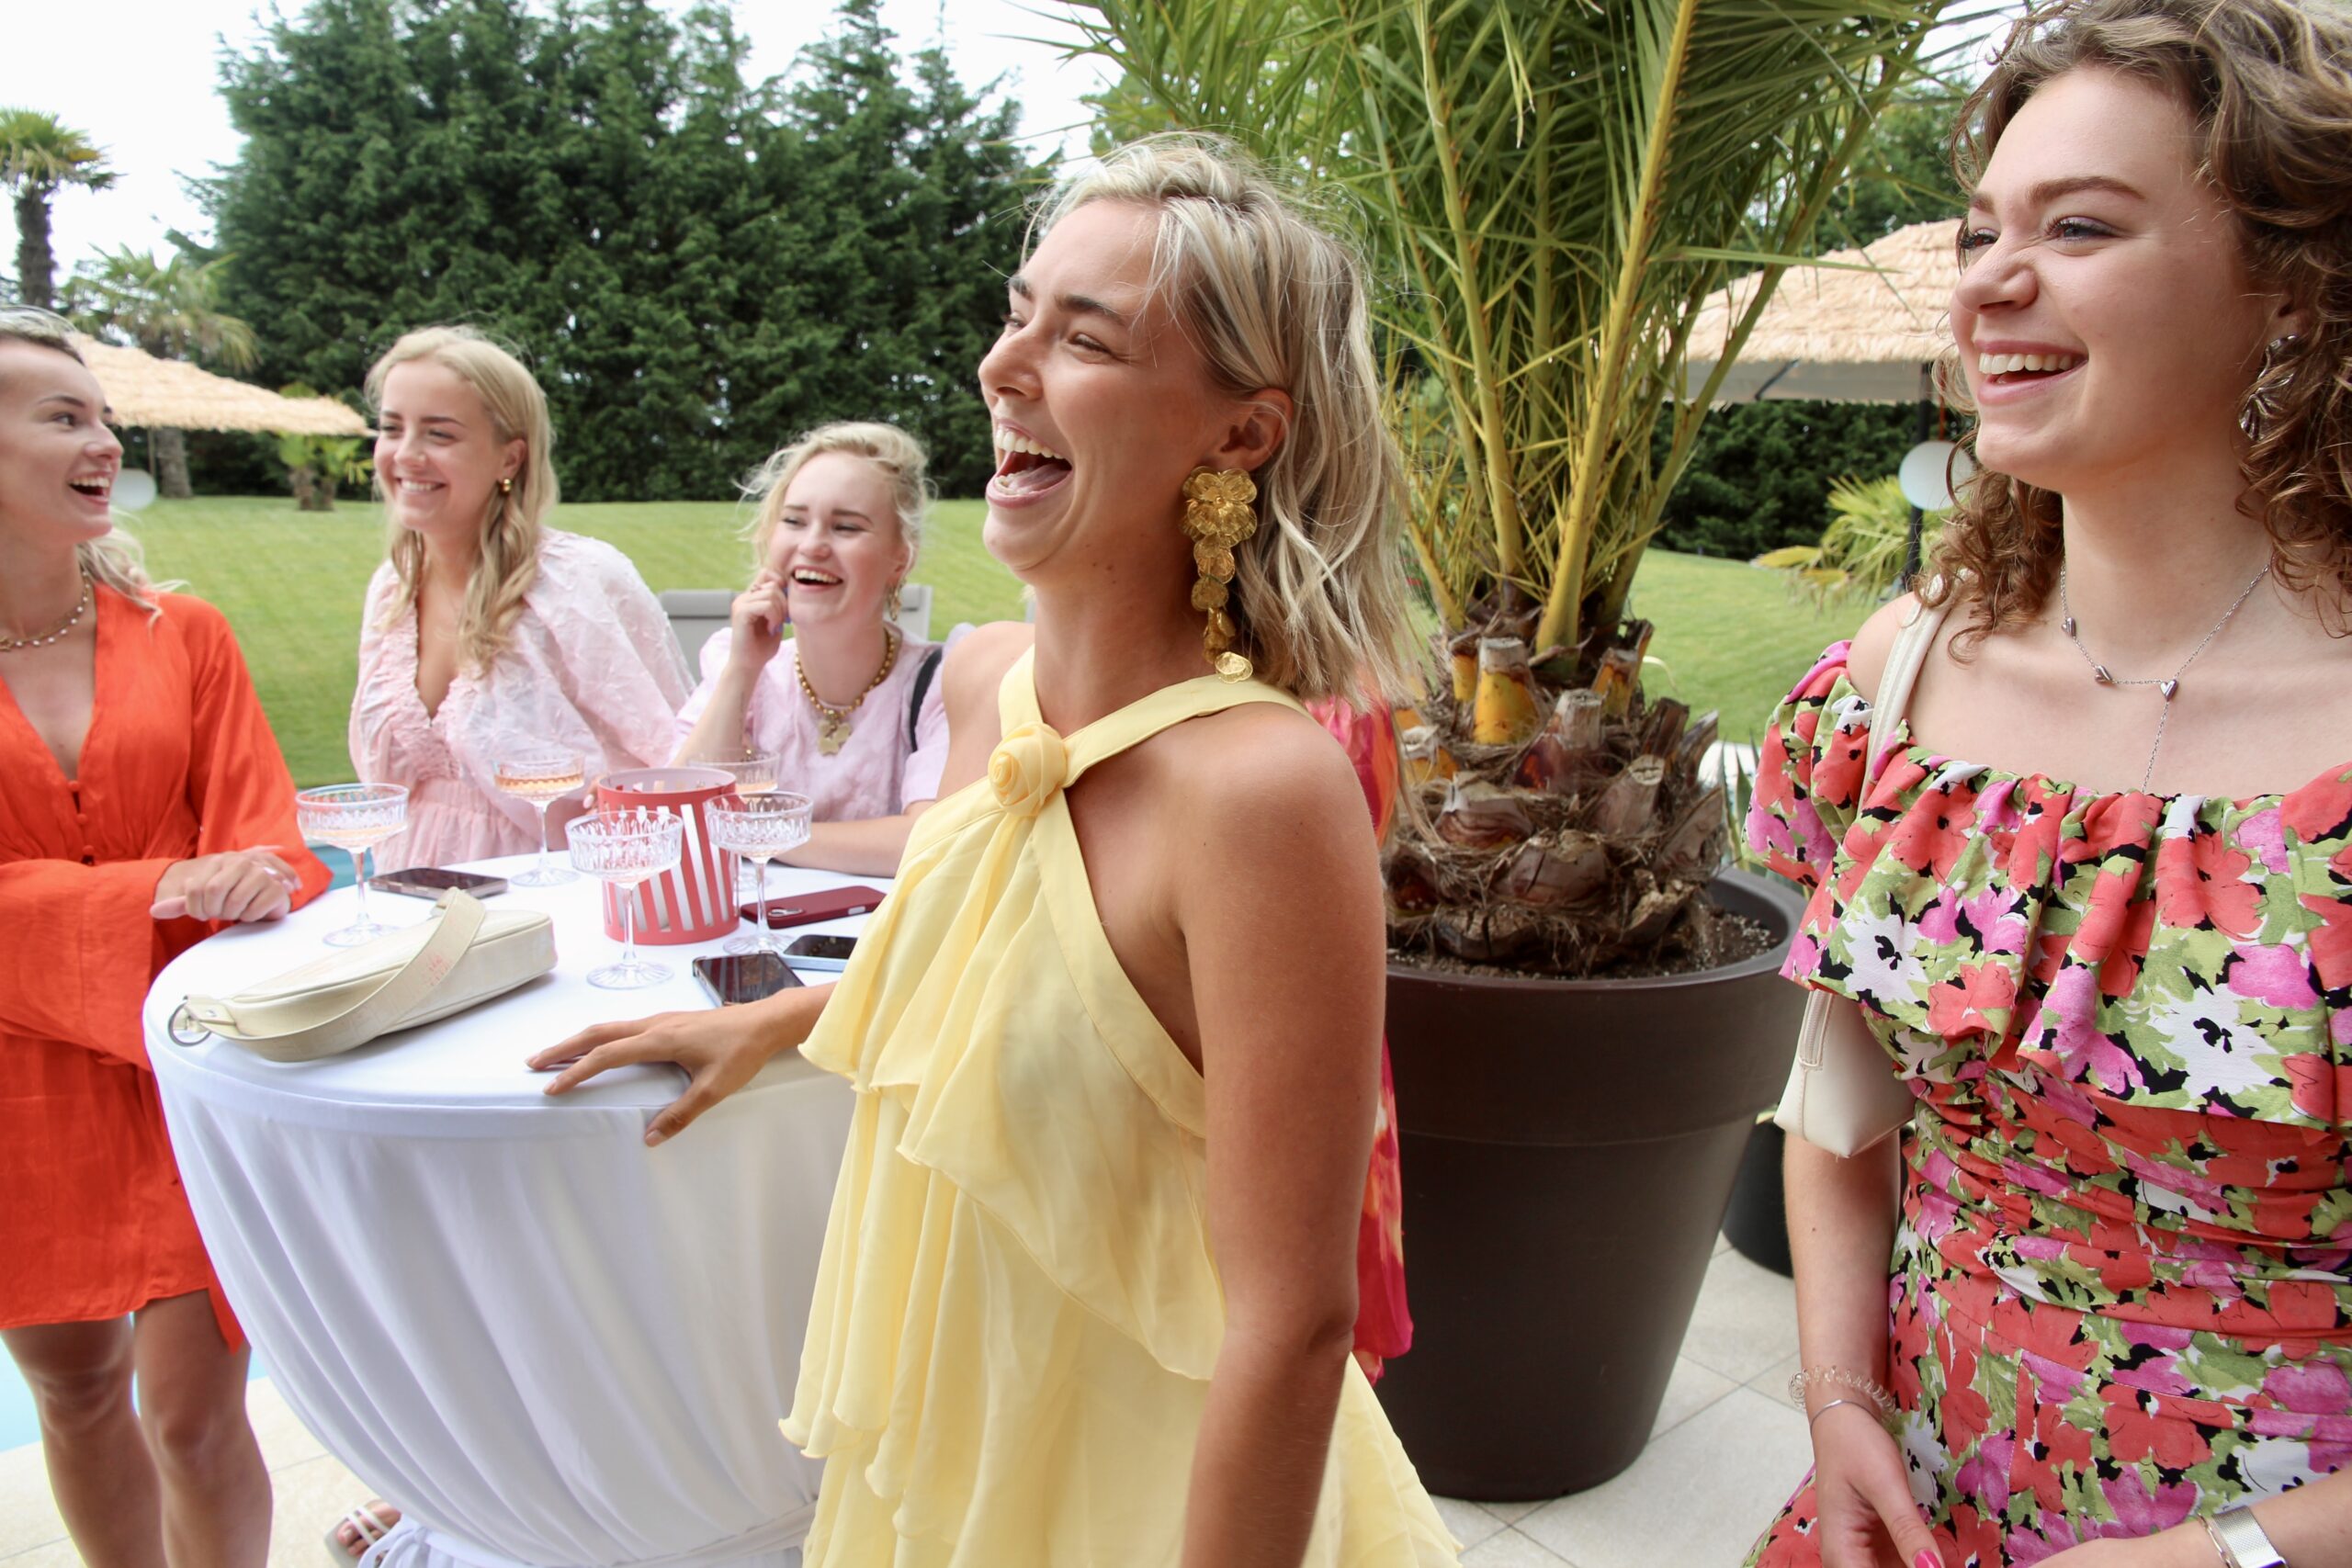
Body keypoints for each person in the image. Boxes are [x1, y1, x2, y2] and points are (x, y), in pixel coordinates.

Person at [534, 135, 1459, 1567]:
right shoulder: (987, 685)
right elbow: (999, 970)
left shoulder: (1261, 794)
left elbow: (1294, 1321)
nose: (1000, 365)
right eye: (1017, 314)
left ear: (1241, 434)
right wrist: (776, 1020)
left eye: (1082, 338)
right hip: (955, 1469)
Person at [1745, 3, 2352, 1564]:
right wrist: (1837, 1394)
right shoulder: (1889, 697)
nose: (1988, 282)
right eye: (1981, 231)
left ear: (2291, 287)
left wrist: (2230, 1554)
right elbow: (1838, 1114)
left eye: (2078, 227)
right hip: (1912, 1517)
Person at [0, 307, 331, 1568]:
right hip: (19, 1081)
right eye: (64, 418)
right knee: (76, 1391)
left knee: (194, 1419)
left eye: (104, 418)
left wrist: (244, 878)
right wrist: (160, 887)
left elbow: (270, 837)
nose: (105, 442)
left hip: (184, 1054)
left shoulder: (184, 635)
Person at [347, 325, 690, 874]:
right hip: (409, 897)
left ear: (510, 459)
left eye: (439, 434)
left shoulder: (578, 582)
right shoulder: (392, 588)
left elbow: (678, 760)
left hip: (558, 900)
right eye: (392, 428)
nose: (406, 454)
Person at [672, 422, 949, 876]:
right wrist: (743, 669)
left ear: (900, 559)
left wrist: (758, 829)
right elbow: (680, 819)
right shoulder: (739, 666)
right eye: (794, 521)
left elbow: (931, 841)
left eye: (846, 527)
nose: (813, 545)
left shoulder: (940, 684)